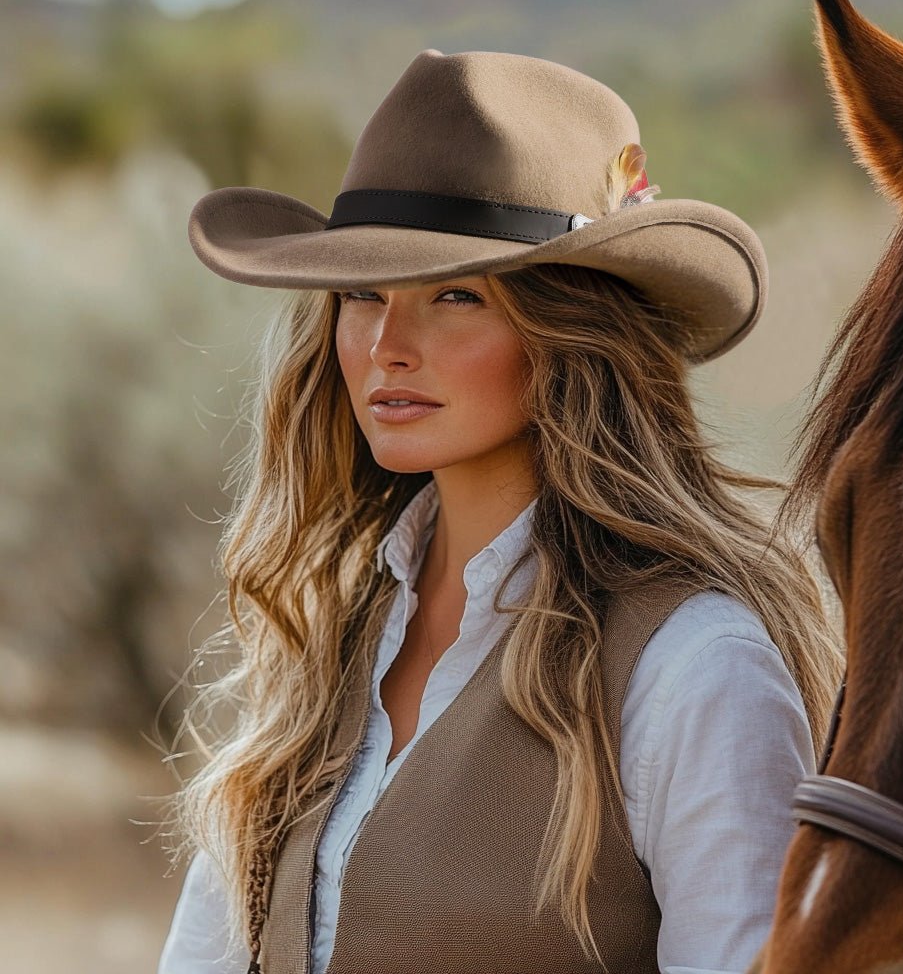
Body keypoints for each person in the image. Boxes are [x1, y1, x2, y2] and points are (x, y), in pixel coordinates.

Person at [158, 49, 842, 974]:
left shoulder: (693, 670)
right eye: (363, 293)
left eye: (453, 295)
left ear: (572, 334)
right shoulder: (328, 646)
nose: (388, 346)